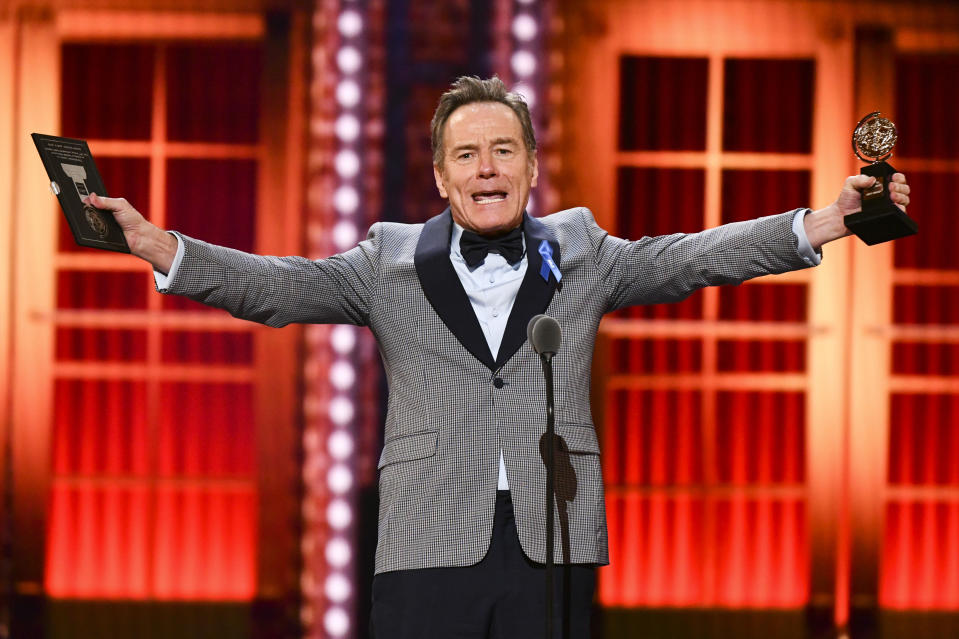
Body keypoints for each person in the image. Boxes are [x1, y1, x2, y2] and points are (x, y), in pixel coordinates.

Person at [84, 76, 910, 638]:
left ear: (531, 167)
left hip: (553, 540)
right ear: (441, 176)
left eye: (505, 150)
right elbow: (278, 287)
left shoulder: (582, 249)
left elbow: (692, 255)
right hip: (426, 538)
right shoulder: (388, 260)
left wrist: (825, 221)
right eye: (469, 155)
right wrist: (162, 246)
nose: (488, 168)